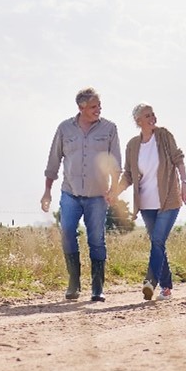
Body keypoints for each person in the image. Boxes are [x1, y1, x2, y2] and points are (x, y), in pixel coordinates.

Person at [43, 87, 121, 302]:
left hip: (98, 195)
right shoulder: (65, 129)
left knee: (96, 239)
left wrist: (114, 188)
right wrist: (47, 191)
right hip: (70, 193)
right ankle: (74, 282)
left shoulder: (109, 128)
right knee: (67, 232)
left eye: (99, 105)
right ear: (81, 107)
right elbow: (53, 161)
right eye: (94, 106)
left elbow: (115, 162)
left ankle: (97, 287)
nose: (99, 109)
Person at [117, 103, 186, 301]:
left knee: (158, 240)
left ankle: (150, 281)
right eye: (147, 115)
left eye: (153, 114)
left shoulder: (164, 136)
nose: (152, 118)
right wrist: (114, 191)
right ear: (138, 121)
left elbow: (178, 159)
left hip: (169, 199)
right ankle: (166, 286)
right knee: (158, 243)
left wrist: (184, 184)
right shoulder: (132, 145)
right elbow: (128, 174)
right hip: (146, 204)